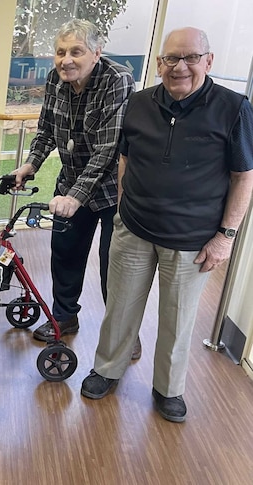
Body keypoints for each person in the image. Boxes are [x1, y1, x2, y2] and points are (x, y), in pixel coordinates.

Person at [80, 28, 253, 422]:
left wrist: (225, 237)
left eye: (191, 57)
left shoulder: (234, 108)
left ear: (208, 61)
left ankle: (168, 389)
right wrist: (124, 210)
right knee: (119, 309)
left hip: (193, 239)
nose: (180, 67)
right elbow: (125, 159)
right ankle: (107, 369)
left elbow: (245, 176)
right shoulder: (138, 103)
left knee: (178, 319)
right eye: (171, 58)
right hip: (134, 229)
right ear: (159, 64)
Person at [10, 19, 135, 345]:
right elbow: (47, 128)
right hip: (71, 182)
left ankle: (123, 333)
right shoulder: (56, 79)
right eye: (60, 52)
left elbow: (108, 150)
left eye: (76, 52)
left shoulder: (116, 80)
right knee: (64, 254)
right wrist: (29, 164)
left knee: (114, 265)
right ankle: (64, 317)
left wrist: (76, 197)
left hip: (114, 190)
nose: (66, 60)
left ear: (96, 53)